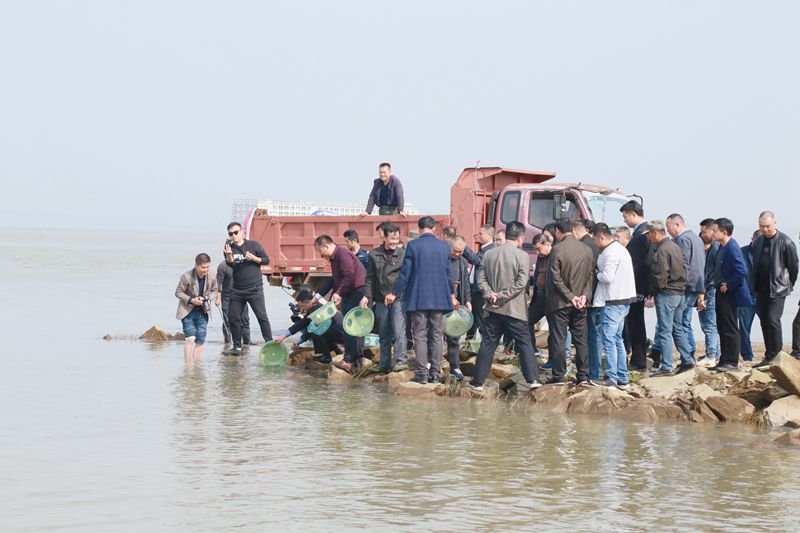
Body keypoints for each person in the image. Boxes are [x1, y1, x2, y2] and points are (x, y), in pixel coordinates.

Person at [466, 222, 541, 391]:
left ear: (506, 235)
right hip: (514, 308)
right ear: (521, 238)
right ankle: (533, 380)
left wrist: (490, 294)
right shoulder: (522, 256)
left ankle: (477, 382)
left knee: (488, 343)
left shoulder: (489, 254)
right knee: (524, 343)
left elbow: (480, 278)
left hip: (493, 308)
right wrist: (502, 296)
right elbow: (522, 283)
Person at [386, 216, 456, 384]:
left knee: (420, 335)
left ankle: (422, 373)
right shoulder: (444, 247)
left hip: (419, 297)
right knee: (437, 335)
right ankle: (435, 374)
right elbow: (448, 274)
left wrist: (394, 293)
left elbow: (405, 273)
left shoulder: (413, 245)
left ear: (419, 229)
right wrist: (452, 294)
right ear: (433, 229)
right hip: (439, 298)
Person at [544, 218, 594, 385]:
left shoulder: (557, 249)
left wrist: (571, 297)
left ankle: (559, 376)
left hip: (560, 303)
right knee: (581, 340)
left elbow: (555, 279)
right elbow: (590, 276)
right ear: (573, 230)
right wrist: (583, 296)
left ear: (558, 232)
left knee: (559, 339)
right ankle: (583, 376)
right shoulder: (587, 249)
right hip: (581, 303)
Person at [751, 211, 799, 367]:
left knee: (773, 320)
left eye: (768, 226)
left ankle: (777, 356)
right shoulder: (758, 242)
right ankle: (769, 355)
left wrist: (787, 284)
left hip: (778, 289)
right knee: (764, 321)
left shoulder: (786, 242)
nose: (765, 229)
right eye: (762, 226)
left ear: (775, 224)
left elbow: (793, 267)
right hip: (761, 288)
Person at [592, 224, 637, 388]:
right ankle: (622, 378)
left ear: (601, 237)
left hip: (612, 301)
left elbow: (607, 277)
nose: (595, 243)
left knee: (609, 340)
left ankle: (611, 377)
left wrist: (596, 272)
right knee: (617, 339)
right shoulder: (621, 249)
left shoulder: (611, 252)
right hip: (624, 300)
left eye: (595, 239)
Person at [645, 221, 692, 376]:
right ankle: (687, 359)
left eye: (650, 234)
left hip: (667, 294)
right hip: (680, 293)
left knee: (665, 331)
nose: (649, 237)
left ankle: (666, 366)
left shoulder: (662, 250)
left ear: (656, 233)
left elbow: (661, 275)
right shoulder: (674, 246)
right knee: (677, 328)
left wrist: (654, 290)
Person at [361, 223, 408, 373]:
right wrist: (367, 296)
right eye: (392, 238)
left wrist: (394, 293)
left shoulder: (403, 254)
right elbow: (369, 279)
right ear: (385, 237)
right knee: (384, 333)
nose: (395, 241)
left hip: (398, 299)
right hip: (381, 299)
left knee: (399, 331)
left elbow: (405, 277)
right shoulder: (374, 254)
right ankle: (385, 364)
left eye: (397, 238)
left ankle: (401, 360)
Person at [315, 235, 367, 372]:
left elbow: (349, 276)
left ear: (324, 246)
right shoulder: (335, 258)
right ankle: (353, 358)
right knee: (350, 326)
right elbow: (334, 280)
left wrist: (339, 293)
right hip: (349, 293)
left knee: (352, 326)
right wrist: (319, 296)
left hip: (356, 293)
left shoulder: (342, 254)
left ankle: (351, 360)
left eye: (319, 250)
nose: (320, 255)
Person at [223, 222, 273, 356]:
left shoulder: (253, 245)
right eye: (230, 234)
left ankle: (270, 344)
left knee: (262, 317)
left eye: (236, 232)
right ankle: (237, 347)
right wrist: (228, 254)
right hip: (237, 290)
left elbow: (267, 260)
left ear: (242, 232)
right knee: (233, 318)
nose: (233, 235)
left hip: (254, 288)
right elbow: (230, 264)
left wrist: (254, 258)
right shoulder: (229, 248)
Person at [711, 218, 753, 372]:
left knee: (730, 327)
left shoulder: (732, 247)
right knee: (721, 326)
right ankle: (724, 359)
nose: (713, 233)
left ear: (724, 232)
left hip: (729, 293)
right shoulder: (722, 247)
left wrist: (729, 284)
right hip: (719, 291)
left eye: (715, 230)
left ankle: (732, 362)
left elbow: (742, 270)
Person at [666, 214, 707, 362]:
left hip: (685, 285)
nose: (667, 230)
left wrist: (677, 284)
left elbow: (683, 265)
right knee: (684, 321)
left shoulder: (683, 239)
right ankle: (689, 351)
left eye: (668, 226)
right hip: (696, 284)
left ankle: (688, 353)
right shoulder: (696, 238)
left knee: (680, 322)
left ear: (677, 224)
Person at [620, 200, 652, 370]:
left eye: (625, 216)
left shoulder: (642, 234)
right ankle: (638, 358)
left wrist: (642, 290)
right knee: (635, 323)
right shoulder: (641, 233)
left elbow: (643, 264)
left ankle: (639, 360)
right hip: (638, 287)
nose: (624, 220)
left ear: (633, 213)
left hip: (637, 287)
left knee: (636, 323)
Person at [275, 286, 344, 364]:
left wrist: (294, 340)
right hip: (339, 334)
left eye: (302, 306)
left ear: (307, 302)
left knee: (316, 331)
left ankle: (325, 356)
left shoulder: (317, 311)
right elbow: (303, 325)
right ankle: (337, 351)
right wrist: (291, 339)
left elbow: (307, 328)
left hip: (342, 335)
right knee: (317, 329)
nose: (302, 309)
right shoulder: (316, 307)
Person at [175, 253, 219, 361]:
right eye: (203, 267)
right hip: (187, 311)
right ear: (196, 265)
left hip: (203, 311)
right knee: (190, 339)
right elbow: (178, 292)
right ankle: (188, 367)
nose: (206, 270)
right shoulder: (186, 276)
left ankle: (197, 367)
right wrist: (192, 300)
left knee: (200, 340)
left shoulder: (212, 276)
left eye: (208, 267)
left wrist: (209, 298)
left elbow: (215, 290)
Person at [574, 220, 602, 382]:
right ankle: (595, 370)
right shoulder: (594, 244)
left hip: (589, 297)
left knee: (590, 335)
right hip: (597, 296)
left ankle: (593, 372)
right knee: (595, 334)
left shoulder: (585, 246)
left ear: (577, 232)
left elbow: (587, 275)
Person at [445, 236, 472, 381]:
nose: (458, 254)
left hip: (456, 304)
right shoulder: (443, 260)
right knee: (435, 335)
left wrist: (467, 300)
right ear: (450, 246)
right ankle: (432, 365)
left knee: (454, 337)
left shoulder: (463, 262)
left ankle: (455, 367)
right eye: (456, 251)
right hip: (441, 302)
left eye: (461, 252)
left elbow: (466, 284)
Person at [696, 218, 721, 366]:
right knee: (707, 322)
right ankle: (713, 354)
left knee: (709, 323)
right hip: (706, 287)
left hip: (710, 289)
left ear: (712, 230)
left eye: (704, 231)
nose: (702, 234)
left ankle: (712, 355)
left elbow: (713, 271)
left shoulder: (716, 247)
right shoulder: (704, 246)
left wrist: (704, 290)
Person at [467, 224, 496, 339]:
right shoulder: (483, 249)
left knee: (481, 318)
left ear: (489, 235)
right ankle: (469, 341)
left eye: (481, 234)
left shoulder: (491, 250)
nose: (478, 236)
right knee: (473, 317)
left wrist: (465, 248)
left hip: (481, 290)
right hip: (475, 288)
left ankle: (486, 343)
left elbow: (479, 261)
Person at [216, 259, 251, 345]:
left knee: (244, 319)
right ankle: (227, 343)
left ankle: (247, 343)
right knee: (227, 320)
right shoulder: (223, 266)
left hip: (242, 295)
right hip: (227, 296)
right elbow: (218, 283)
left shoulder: (243, 263)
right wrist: (218, 297)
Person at [528, 233, 552, 361]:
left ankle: (553, 360)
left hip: (552, 298)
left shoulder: (555, 256)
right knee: (527, 320)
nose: (537, 253)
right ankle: (532, 349)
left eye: (539, 249)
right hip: (540, 296)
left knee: (554, 329)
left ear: (547, 244)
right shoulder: (540, 258)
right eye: (535, 250)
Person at [738, 230, 761, 362]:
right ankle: (747, 356)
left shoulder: (767, 253)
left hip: (762, 296)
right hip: (746, 296)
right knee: (744, 329)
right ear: (751, 239)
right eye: (755, 240)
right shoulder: (742, 252)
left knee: (769, 326)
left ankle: (772, 353)